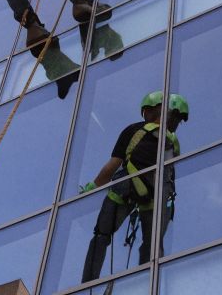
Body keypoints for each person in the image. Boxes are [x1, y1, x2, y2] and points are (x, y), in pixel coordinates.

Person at [80, 92, 189, 282]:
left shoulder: (134, 130)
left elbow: (113, 165)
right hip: (154, 198)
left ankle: (87, 284)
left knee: (101, 237)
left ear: (147, 111)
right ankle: (146, 285)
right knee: (152, 245)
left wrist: (92, 187)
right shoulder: (173, 143)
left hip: (124, 188)